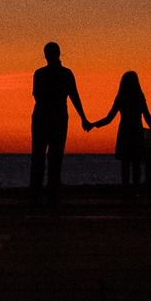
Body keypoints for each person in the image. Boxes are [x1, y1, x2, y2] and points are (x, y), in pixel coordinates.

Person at [28, 42, 87, 201]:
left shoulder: (39, 74)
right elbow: (74, 96)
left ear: (46, 55)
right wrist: (83, 118)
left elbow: (37, 96)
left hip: (42, 117)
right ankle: (52, 191)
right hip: (58, 117)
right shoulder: (66, 74)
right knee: (55, 157)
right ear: (59, 54)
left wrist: (83, 118)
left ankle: (36, 192)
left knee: (39, 156)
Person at [89, 70, 151, 193]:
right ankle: (135, 191)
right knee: (136, 163)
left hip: (125, 132)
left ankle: (126, 190)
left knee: (125, 164)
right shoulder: (139, 96)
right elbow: (147, 115)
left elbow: (109, 118)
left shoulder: (121, 97)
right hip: (136, 131)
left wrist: (94, 125)